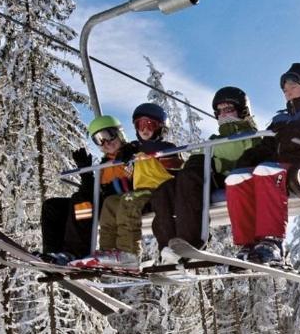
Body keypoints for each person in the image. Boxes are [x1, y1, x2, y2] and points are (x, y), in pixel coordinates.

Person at [226, 63, 300, 264]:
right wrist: (248, 159)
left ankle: (272, 241)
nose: (287, 91)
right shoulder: (281, 119)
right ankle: (247, 243)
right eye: (284, 88)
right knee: (236, 178)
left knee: (267, 170)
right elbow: (267, 146)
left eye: (292, 86)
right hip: (281, 173)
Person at [151, 86, 261, 263]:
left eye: (229, 109)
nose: (224, 114)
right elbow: (195, 162)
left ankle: (191, 240)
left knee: (188, 178)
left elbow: (253, 160)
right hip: (206, 177)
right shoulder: (213, 140)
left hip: (229, 177)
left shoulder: (251, 136)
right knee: (163, 190)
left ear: (243, 110)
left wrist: (214, 164)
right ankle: (167, 248)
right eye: (219, 111)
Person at [78, 104, 181, 268]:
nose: (145, 130)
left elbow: (174, 164)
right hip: (141, 191)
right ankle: (108, 251)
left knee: (128, 199)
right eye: (140, 126)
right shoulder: (132, 154)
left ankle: (129, 252)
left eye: (150, 125)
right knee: (110, 203)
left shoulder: (163, 148)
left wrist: (134, 150)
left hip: (159, 191)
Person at [40, 115, 132, 264]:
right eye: (99, 139)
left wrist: (131, 153)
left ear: (119, 134)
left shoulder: (132, 155)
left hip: (125, 202)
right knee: (53, 206)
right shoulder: (104, 164)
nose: (105, 142)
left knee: (81, 201)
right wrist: (87, 173)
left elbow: (138, 177)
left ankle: (75, 253)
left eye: (108, 135)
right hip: (104, 203)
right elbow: (92, 193)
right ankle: (52, 253)